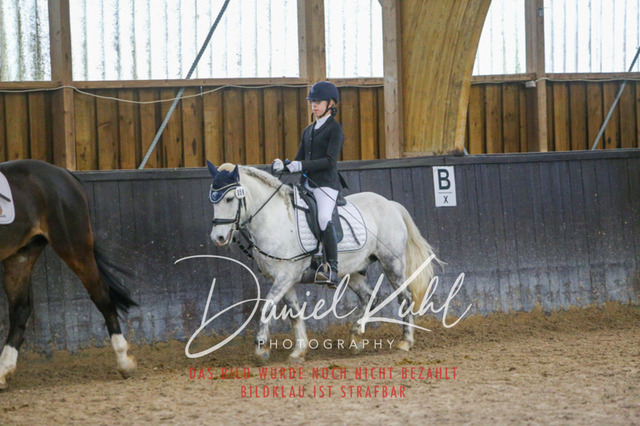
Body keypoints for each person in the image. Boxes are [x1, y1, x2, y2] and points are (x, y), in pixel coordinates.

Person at [272, 81, 344, 287]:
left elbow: (330, 161)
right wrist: (285, 166)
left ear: (331, 104)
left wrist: (300, 165)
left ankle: (332, 269)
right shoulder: (308, 130)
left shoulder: (335, 129)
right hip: (307, 184)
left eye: (318, 102)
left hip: (326, 185)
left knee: (323, 218)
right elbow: (299, 159)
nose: (314, 105)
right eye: (312, 102)